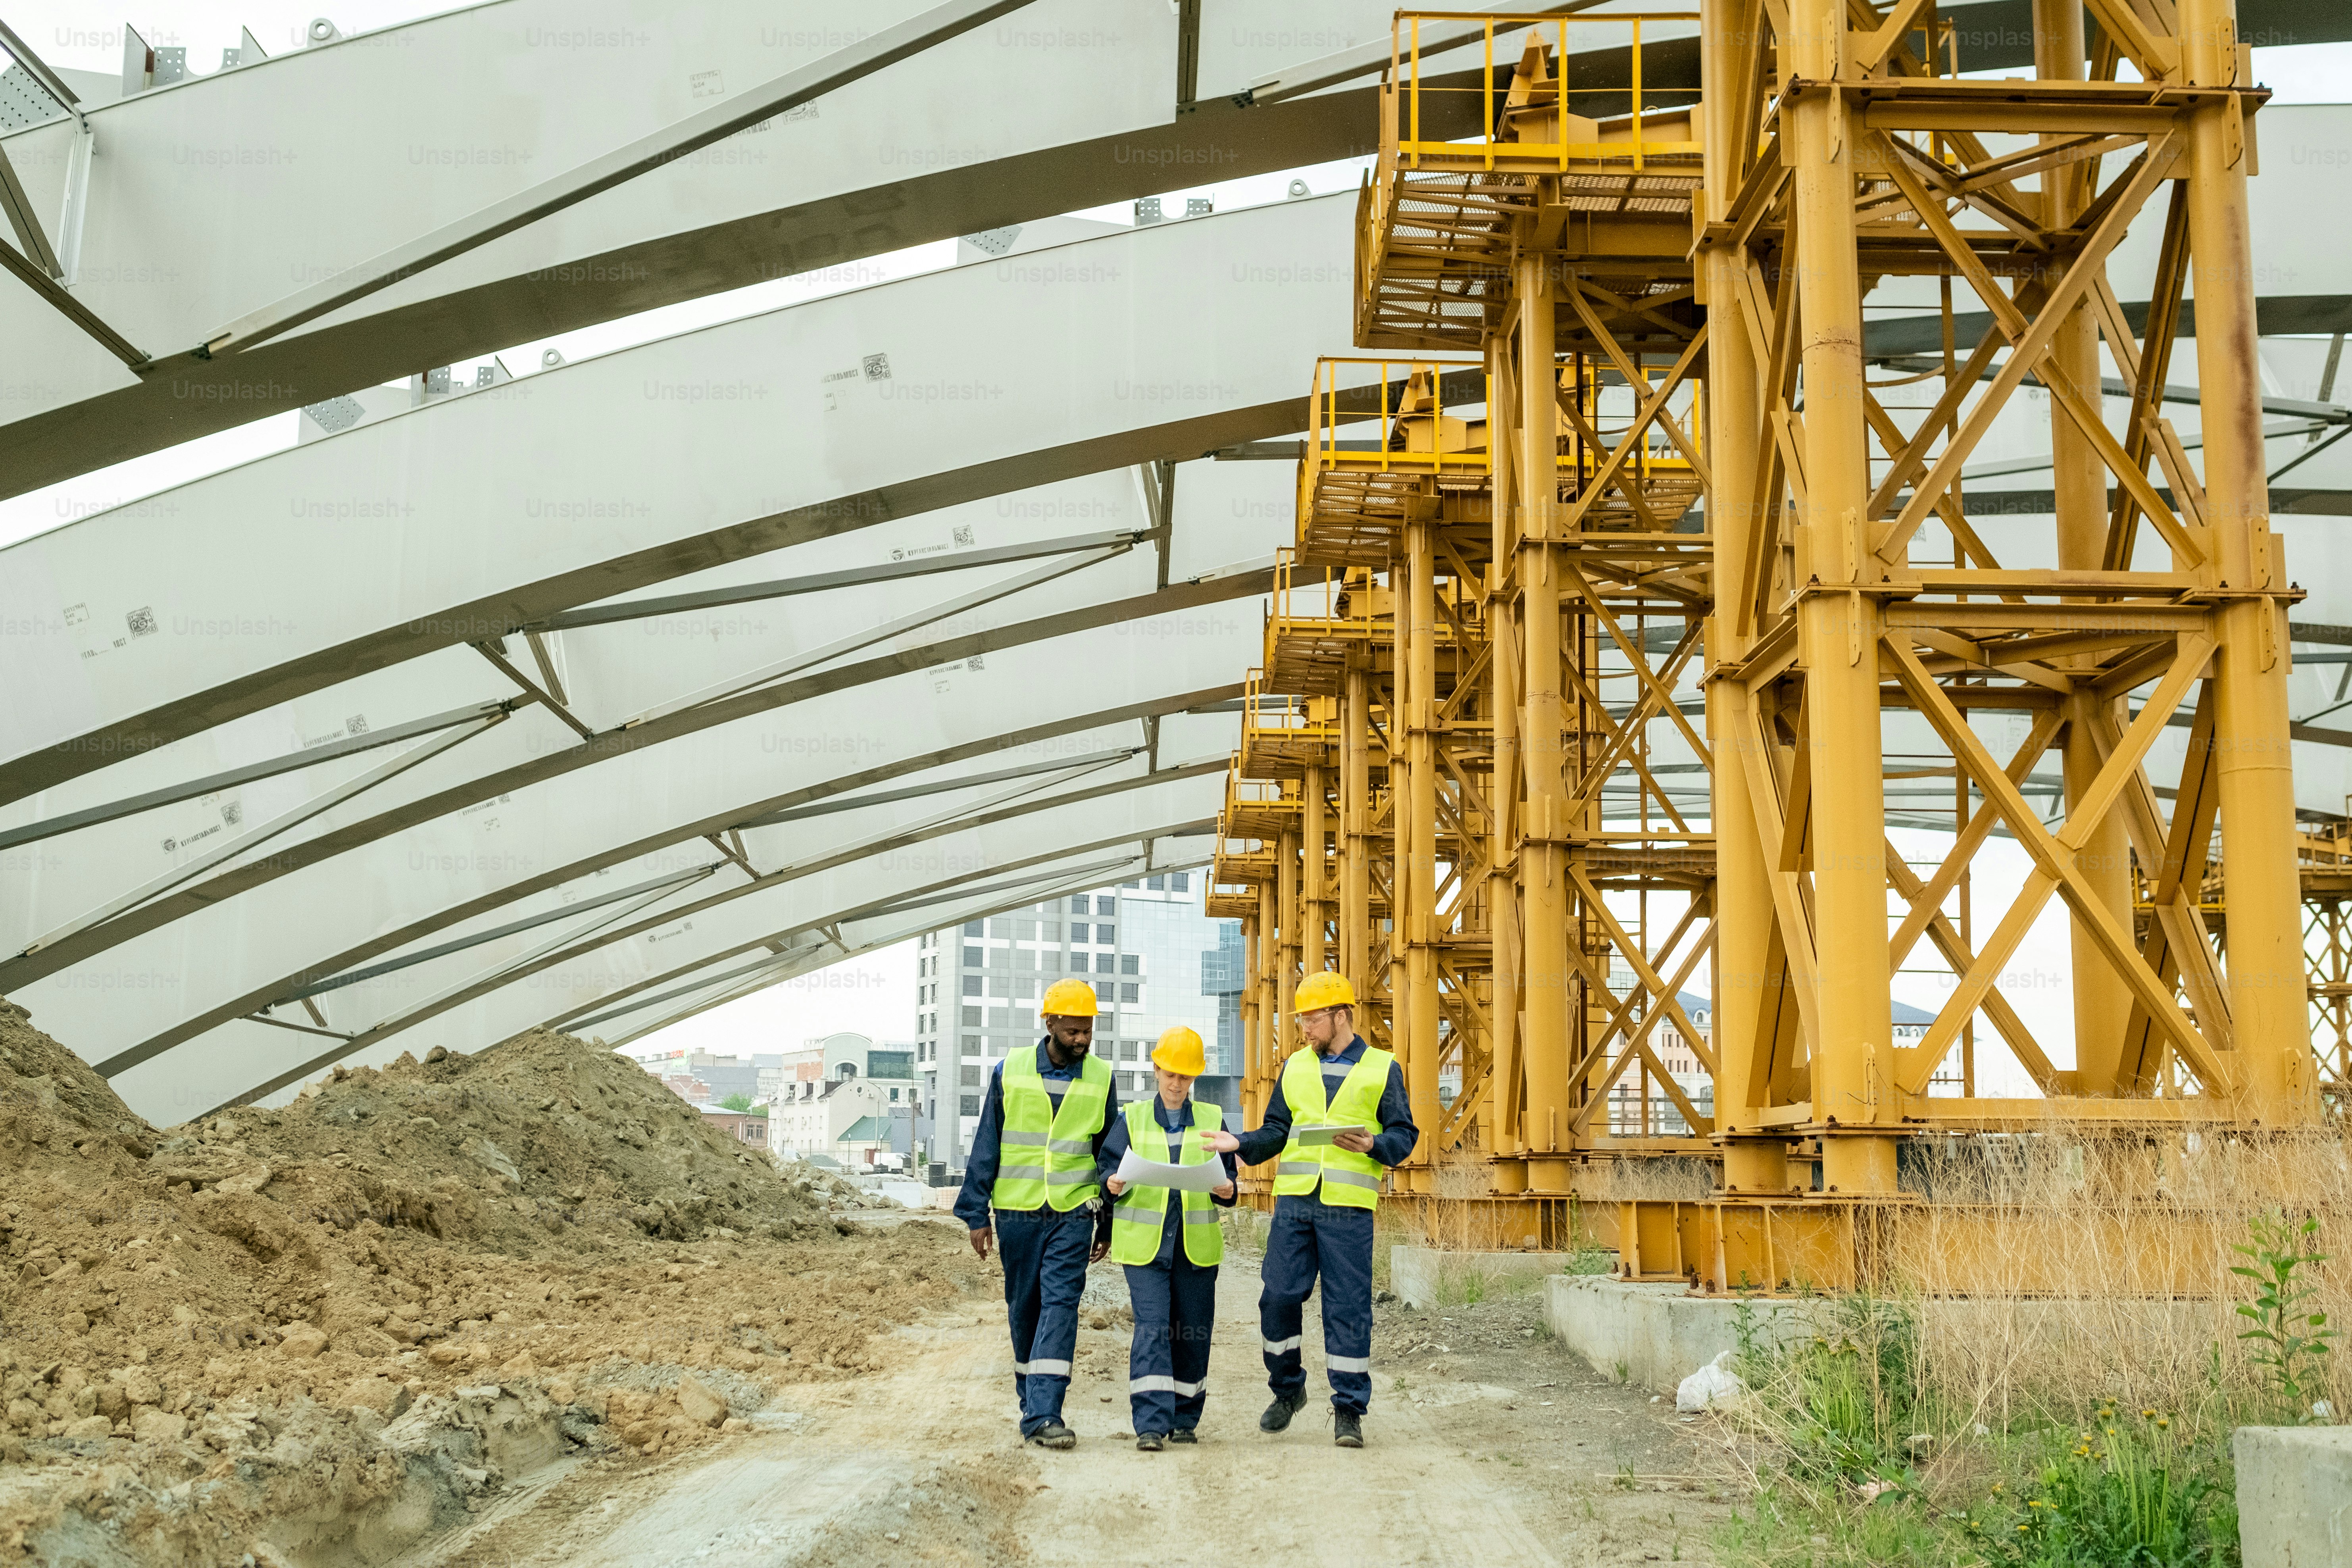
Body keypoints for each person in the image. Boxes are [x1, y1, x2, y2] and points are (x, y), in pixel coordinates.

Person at [1209, 971, 1417, 1448]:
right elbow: (1277, 1130)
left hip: (1348, 1208)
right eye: (1300, 1018)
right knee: (1277, 1297)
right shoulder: (1295, 1068)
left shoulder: (1382, 1068)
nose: (1303, 1026)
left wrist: (1373, 1143)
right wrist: (1238, 1142)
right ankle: (1287, 1389)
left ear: (1341, 1015)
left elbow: (1403, 1135)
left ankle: (1348, 1410)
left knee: (1347, 1308)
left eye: (1311, 1017)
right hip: (1296, 1204)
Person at [952, 977, 1119, 1449]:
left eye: (1087, 1030)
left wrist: (1105, 1219)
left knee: (1062, 1305)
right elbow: (987, 1142)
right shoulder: (1011, 1071)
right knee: (1023, 1308)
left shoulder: (1101, 1077)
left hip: (1072, 1210)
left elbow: (1108, 1154)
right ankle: (1032, 1401)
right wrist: (975, 1213)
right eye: (1073, 1031)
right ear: (1050, 1024)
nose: (1083, 1040)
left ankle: (1046, 1412)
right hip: (1017, 1211)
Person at [1099, 1025, 1238, 1451]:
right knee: (1153, 1329)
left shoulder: (1213, 1120)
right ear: (1156, 1071)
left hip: (1194, 1246)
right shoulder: (1133, 1118)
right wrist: (1111, 1183)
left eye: (1185, 1077)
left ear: (1194, 1078)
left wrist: (1228, 1189)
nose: (1177, 1085)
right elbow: (1105, 1167)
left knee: (1191, 1331)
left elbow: (1229, 1177)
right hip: (1145, 1246)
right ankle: (1150, 1425)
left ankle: (1185, 1417)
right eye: (1170, 1075)